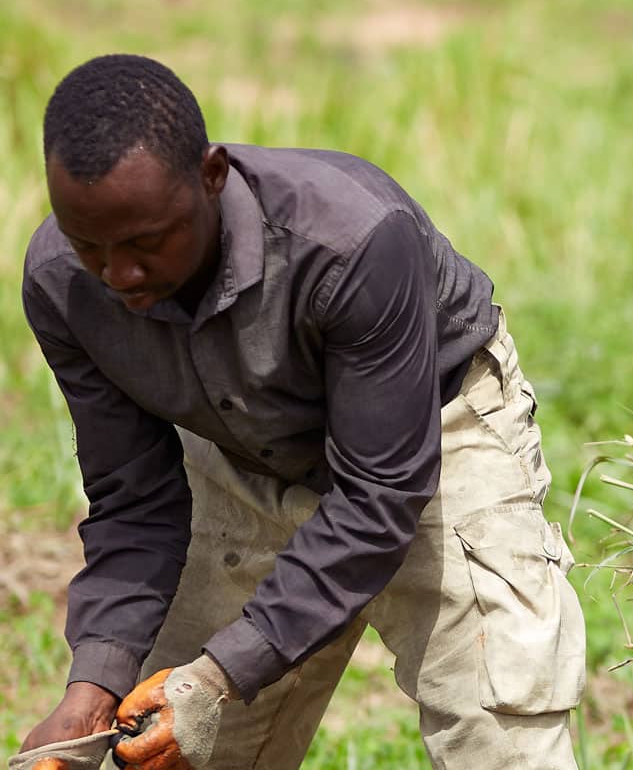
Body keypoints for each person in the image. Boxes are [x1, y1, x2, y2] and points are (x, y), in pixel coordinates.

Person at [18, 55, 586, 770]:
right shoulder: (61, 285)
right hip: (239, 457)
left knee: (500, 742)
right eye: (89, 245)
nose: (119, 275)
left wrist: (218, 674)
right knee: (170, 749)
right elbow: (135, 501)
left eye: (145, 242)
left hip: (434, 442)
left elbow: (379, 499)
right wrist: (89, 692)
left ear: (212, 175)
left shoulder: (351, 240)